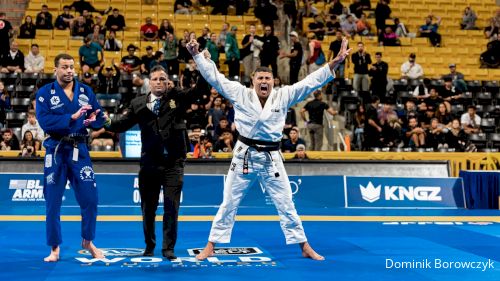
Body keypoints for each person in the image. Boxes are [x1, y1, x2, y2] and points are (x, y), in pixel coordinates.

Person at [188, 36, 351, 261]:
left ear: (273, 81)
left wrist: (336, 62)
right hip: (244, 155)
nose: (264, 81)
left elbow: (311, 81)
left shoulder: (283, 96)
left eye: (268, 78)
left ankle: (304, 245)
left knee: (286, 203)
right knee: (229, 202)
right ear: (253, 80)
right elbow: (215, 77)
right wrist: (197, 55)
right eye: (260, 78)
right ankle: (211, 245)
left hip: (271, 157)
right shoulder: (240, 93)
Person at [104, 65, 207, 260]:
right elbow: (120, 124)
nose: (159, 82)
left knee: (171, 207)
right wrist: (101, 120)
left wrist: (201, 66)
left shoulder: (176, 98)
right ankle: (149, 246)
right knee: (148, 208)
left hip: (173, 164)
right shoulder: (137, 103)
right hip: (149, 163)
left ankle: (168, 249)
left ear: (168, 82)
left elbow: (199, 91)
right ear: (148, 83)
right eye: (155, 79)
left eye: (163, 79)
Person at [35, 53, 107, 262]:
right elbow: (45, 121)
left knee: (90, 199)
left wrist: (95, 119)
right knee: (53, 202)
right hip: (56, 150)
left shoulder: (86, 91)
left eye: (71, 67)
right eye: (64, 67)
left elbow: (98, 116)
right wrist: (72, 117)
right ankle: (54, 248)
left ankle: (88, 241)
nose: (69, 71)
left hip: (80, 150)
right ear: (55, 69)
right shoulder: (44, 94)